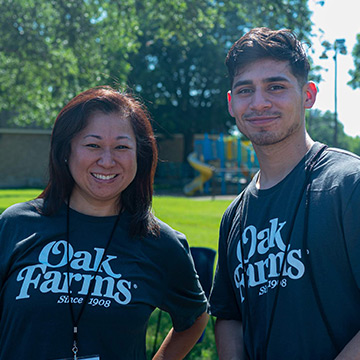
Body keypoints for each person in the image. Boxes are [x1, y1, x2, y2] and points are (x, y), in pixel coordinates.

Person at [0, 86, 209, 360]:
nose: (107, 161)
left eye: (122, 147)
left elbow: (195, 317)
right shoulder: (15, 226)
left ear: (139, 156)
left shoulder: (161, 243)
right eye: (93, 145)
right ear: (66, 151)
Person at [209, 27, 360, 359]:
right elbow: (230, 315)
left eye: (276, 86)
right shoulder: (234, 215)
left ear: (308, 94)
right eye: (246, 90)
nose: (260, 102)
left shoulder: (348, 183)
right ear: (232, 104)